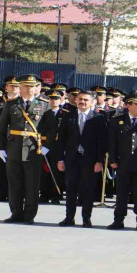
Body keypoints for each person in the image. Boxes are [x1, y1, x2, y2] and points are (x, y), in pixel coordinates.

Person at [0, 74, 50, 224]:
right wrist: (0, 147)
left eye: (33, 86)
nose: (30, 89)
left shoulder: (44, 104)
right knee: (14, 183)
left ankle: (29, 215)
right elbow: (1, 128)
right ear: (21, 87)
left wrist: (47, 147)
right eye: (27, 86)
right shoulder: (11, 104)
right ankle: (16, 214)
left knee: (32, 185)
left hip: (33, 150)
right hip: (14, 148)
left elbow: (51, 128)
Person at [56, 90, 107, 228]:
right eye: (80, 99)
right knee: (71, 189)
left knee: (88, 190)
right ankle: (69, 218)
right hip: (72, 159)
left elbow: (101, 142)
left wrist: (99, 161)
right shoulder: (68, 116)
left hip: (90, 160)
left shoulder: (98, 118)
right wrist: (60, 159)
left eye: (86, 100)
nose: (82, 102)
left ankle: (86, 218)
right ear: (76, 100)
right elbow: (61, 139)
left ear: (92, 102)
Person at [107, 91, 137, 231]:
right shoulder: (117, 120)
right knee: (121, 193)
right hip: (123, 163)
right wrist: (112, 159)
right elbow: (112, 143)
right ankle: (118, 220)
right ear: (128, 105)